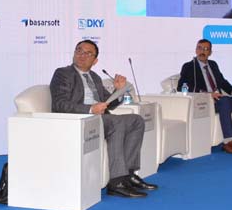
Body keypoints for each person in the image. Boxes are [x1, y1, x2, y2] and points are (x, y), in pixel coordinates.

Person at [50, 40, 156, 198]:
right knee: (115, 121)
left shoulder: (95, 77)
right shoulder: (63, 73)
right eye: (79, 50)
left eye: (88, 53)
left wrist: (118, 91)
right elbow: (59, 104)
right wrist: (90, 109)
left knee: (136, 120)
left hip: (99, 119)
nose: (82, 55)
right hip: (79, 120)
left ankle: (128, 174)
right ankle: (116, 182)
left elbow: (108, 103)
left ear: (95, 61)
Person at [176, 39, 232, 154]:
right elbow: (181, 87)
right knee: (224, 100)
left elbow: (222, 82)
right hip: (207, 101)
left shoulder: (213, 64)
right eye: (200, 48)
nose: (202, 51)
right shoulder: (189, 66)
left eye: (206, 49)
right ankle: (228, 142)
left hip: (220, 99)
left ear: (210, 52)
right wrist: (208, 94)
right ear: (196, 50)